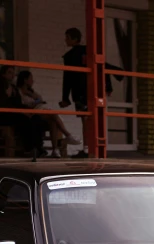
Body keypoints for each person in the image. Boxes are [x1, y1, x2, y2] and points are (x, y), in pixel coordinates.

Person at [17, 70, 80, 157]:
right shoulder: (18, 92)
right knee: (53, 115)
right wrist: (34, 102)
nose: (32, 81)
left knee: (53, 122)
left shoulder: (31, 92)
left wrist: (33, 96)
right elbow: (21, 103)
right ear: (25, 80)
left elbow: (40, 99)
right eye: (31, 79)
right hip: (30, 113)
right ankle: (68, 135)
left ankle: (55, 150)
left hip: (39, 109)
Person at [0, 65, 46, 156]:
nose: (12, 75)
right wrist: (7, 95)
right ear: (3, 74)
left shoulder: (13, 87)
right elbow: (0, 105)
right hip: (1, 115)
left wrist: (27, 110)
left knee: (36, 118)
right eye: (9, 72)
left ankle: (38, 147)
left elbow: (18, 103)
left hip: (15, 113)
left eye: (13, 73)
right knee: (24, 120)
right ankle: (28, 149)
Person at [59, 27, 89, 158]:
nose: (65, 40)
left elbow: (68, 78)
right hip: (90, 89)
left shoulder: (70, 56)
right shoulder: (88, 51)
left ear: (74, 39)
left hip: (79, 92)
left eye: (67, 37)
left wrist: (65, 98)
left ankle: (87, 149)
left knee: (85, 120)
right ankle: (88, 148)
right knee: (89, 120)